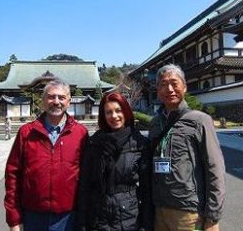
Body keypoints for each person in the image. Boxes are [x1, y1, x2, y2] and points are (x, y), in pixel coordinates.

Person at [4, 78, 88, 231]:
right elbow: (12, 175)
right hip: (33, 215)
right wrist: (14, 219)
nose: (56, 101)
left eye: (61, 97)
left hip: (68, 216)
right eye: (51, 96)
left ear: (69, 101)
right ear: (43, 101)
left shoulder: (80, 133)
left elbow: (87, 176)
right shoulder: (27, 132)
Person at [149, 64, 225, 231]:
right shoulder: (155, 123)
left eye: (174, 83)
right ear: (158, 90)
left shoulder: (199, 121)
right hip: (159, 210)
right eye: (163, 84)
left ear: (184, 86)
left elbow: (215, 168)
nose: (169, 89)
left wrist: (213, 216)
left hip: (188, 212)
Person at [77, 92, 153, 231]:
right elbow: (85, 185)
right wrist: (82, 221)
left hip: (129, 216)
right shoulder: (94, 143)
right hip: (98, 217)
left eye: (118, 110)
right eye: (108, 112)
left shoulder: (139, 143)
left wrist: (145, 224)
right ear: (103, 116)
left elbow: (147, 188)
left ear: (126, 112)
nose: (114, 116)